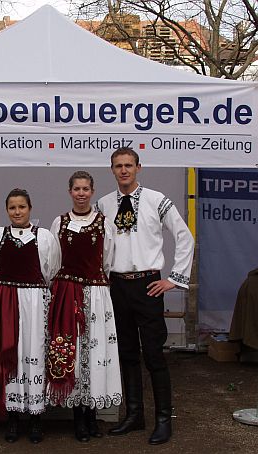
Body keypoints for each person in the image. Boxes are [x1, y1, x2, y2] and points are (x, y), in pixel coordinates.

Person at [96, 147, 194, 445]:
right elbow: (99, 245)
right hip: (117, 285)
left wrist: (173, 279)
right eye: (118, 166)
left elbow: (184, 236)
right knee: (126, 352)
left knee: (153, 353)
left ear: (139, 167)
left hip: (148, 284)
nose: (123, 170)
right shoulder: (103, 204)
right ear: (111, 170)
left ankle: (164, 419)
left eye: (128, 165)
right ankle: (134, 415)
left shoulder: (157, 200)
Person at [0, 188, 59, 444]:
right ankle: (12, 417)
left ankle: (36, 419)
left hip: (35, 301)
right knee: (8, 352)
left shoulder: (44, 237)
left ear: (30, 208)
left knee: (33, 352)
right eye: (12, 207)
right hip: (6, 299)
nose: (17, 212)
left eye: (22, 207)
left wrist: (35, 294)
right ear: (6, 210)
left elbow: (51, 269)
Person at [47, 171, 122, 442]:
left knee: (95, 350)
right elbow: (54, 260)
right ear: (70, 192)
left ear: (92, 192)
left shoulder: (105, 223)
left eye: (86, 189)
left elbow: (108, 261)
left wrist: (97, 287)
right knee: (73, 351)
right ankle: (78, 415)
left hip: (96, 293)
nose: (81, 193)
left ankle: (91, 413)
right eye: (76, 188)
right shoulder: (60, 222)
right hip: (68, 293)